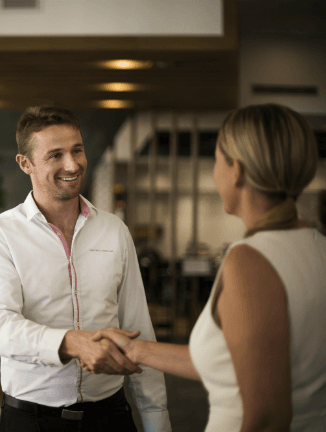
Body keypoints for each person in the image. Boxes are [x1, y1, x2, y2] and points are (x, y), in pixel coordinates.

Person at [91, 104, 326, 431]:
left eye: (216, 160)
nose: (215, 173)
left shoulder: (249, 260)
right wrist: (135, 349)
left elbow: (266, 417)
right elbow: (237, 363)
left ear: (237, 170)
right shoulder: (317, 245)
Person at [0, 106, 171, 432]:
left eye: (77, 150)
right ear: (26, 163)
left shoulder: (114, 230)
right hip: (31, 421)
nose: (73, 164)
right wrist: (73, 343)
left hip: (111, 417)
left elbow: (139, 328)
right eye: (55, 155)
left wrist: (156, 420)